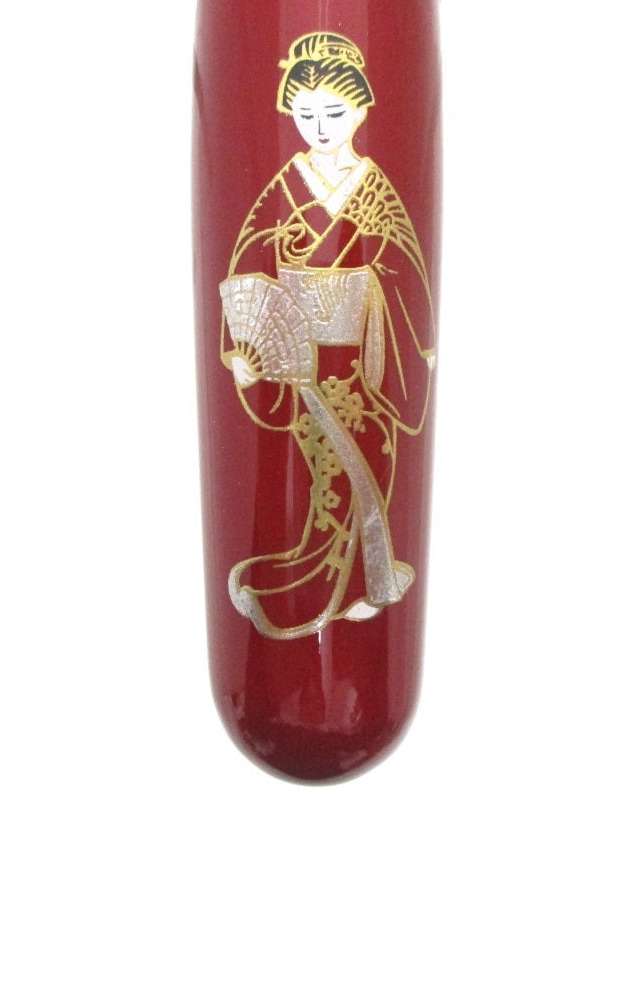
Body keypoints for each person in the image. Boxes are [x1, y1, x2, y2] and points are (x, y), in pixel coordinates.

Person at [219, 32, 436, 641]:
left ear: (362, 110)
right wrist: (244, 350)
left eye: (334, 114)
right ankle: (318, 584)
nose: (319, 128)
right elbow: (249, 259)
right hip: (302, 363)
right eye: (305, 115)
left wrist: (376, 280)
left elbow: (407, 268)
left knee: (374, 458)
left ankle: (370, 582)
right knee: (323, 477)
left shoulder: (374, 187)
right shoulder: (286, 185)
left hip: (366, 354)